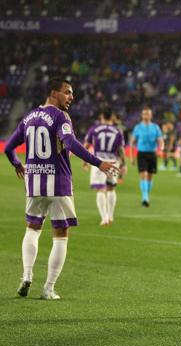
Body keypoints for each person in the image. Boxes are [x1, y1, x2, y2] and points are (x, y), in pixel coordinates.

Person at [4, 78, 118, 299]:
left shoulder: (28, 117)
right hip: (59, 184)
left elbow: (9, 148)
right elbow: (71, 143)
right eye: (67, 92)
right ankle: (48, 288)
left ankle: (26, 275)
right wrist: (99, 163)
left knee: (32, 229)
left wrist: (18, 164)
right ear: (54, 93)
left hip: (34, 183)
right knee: (60, 235)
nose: (71, 97)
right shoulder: (60, 116)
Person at [83, 106, 126, 225]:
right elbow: (121, 149)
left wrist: (85, 161)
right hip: (113, 161)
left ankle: (104, 218)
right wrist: (124, 164)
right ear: (112, 117)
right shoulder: (117, 131)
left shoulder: (95, 129)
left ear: (101, 116)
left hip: (99, 162)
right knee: (111, 188)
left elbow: (86, 145)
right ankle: (111, 216)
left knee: (100, 190)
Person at [129, 106, 163, 207]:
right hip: (142, 154)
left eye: (148, 113)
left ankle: (146, 194)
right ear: (142, 115)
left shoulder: (155, 127)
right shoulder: (138, 127)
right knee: (143, 174)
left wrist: (161, 147)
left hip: (152, 154)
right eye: (144, 114)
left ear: (151, 115)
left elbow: (160, 140)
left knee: (149, 176)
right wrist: (131, 157)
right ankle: (145, 197)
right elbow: (132, 143)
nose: (146, 115)